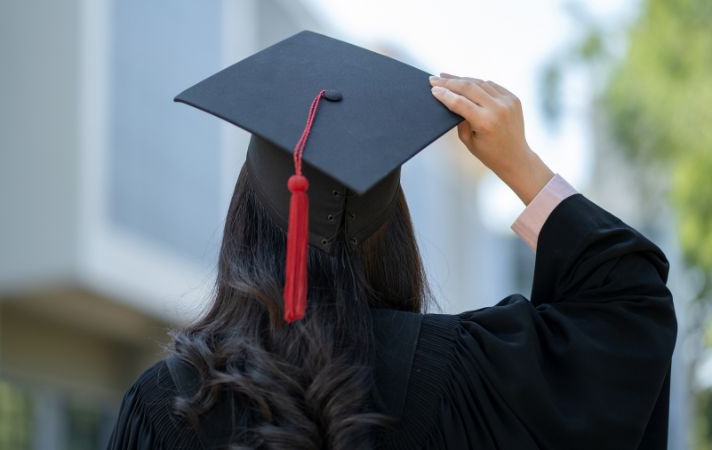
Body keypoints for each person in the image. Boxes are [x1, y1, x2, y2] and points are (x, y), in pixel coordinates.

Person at [107, 31, 676, 450]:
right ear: (393, 228)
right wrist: (522, 167)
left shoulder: (168, 404)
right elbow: (629, 305)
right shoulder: (471, 375)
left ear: (247, 222)